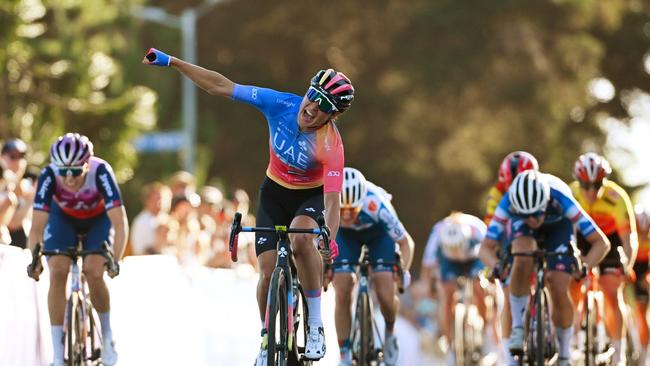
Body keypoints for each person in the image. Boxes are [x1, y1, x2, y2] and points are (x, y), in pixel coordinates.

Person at [143, 48, 354, 364]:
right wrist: (172, 61)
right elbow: (221, 86)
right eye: (312, 95)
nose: (311, 107)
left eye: (323, 105)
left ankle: (313, 323)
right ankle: (267, 340)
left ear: (332, 115)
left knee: (301, 239)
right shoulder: (280, 103)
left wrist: (329, 240)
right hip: (274, 193)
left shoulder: (330, 145)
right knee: (267, 273)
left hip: (309, 199)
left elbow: (332, 201)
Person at [479, 170, 610, 366]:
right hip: (522, 230)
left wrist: (585, 266)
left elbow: (602, 243)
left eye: (536, 212)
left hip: (559, 227)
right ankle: (518, 327)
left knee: (558, 283)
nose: (533, 218)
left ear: (546, 201)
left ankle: (565, 353)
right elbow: (485, 249)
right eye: (527, 214)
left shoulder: (561, 198)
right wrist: (496, 267)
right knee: (521, 254)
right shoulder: (507, 202)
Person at [26, 133, 128, 366]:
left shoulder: (100, 171)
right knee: (58, 270)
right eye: (64, 171)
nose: (69, 178)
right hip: (63, 219)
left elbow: (120, 223)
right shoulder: (48, 175)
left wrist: (115, 260)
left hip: (98, 220)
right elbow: (36, 229)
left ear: (87, 164)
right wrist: (35, 260)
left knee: (94, 271)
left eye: (75, 171)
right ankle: (57, 354)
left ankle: (108, 336)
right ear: (55, 167)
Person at [332, 168, 414, 366]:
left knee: (385, 291)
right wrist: (326, 268)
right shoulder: (328, 202)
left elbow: (406, 242)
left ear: (361, 202)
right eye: (342, 210)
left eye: (352, 211)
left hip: (378, 236)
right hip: (345, 237)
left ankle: (390, 334)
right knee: (342, 288)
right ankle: (344, 356)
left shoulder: (376, 203)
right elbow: (320, 240)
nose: (346, 216)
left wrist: (403, 270)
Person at [568, 153, 638, 365]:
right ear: (578, 181)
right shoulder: (570, 194)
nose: (591, 191)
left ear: (604, 181)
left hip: (611, 241)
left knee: (610, 290)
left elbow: (629, 239)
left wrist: (628, 265)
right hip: (580, 239)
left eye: (597, 185)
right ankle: (571, 339)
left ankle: (618, 352)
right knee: (572, 282)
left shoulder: (616, 197)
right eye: (585, 185)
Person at [482, 151, 539, 364]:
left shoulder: (542, 187)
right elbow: (493, 230)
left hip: (537, 229)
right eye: (510, 184)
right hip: (508, 233)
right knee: (508, 291)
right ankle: (507, 356)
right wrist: (498, 262)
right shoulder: (496, 194)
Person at [421, 211, 488, 364]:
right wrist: (427, 286)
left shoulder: (477, 228)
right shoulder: (438, 232)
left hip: (474, 257)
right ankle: (450, 344)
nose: (458, 254)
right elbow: (428, 263)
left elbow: (490, 252)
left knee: (480, 286)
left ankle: (484, 331)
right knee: (446, 294)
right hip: (447, 260)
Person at [0, 138, 34, 248]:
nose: (18, 161)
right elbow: (11, 224)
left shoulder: (30, 185)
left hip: (20, 248)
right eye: (13, 156)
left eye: (22, 157)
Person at [130, 182, 172, 255]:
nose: (160, 202)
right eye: (156, 199)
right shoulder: (143, 221)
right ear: (147, 201)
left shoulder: (165, 218)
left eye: (163, 199)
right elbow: (142, 252)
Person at [633, 204, 650, 365]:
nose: (643, 236)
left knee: (641, 313)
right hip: (630, 270)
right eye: (640, 231)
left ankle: (644, 353)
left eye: (646, 232)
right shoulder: (630, 237)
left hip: (643, 275)